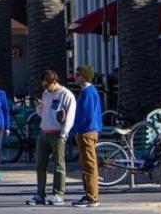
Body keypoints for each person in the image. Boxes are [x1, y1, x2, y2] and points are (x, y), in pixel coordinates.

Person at [28, 69, 76, 206]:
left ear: (54, 82)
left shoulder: (66, 95)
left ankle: (58, 194)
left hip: (57, 133)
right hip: (44, 132)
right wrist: (38, 107)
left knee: (58, 165)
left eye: (46, 85)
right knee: (40, 165)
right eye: (43, 86)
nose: (45, 88)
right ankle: (40, 194)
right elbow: (42, 113)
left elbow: (70, 116)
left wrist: (64, 133)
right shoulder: (46, 94)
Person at [71, 65, 104, 208]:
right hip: (85, 131)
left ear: (83, 77)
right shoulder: (87, 91)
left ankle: (92, 197)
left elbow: (88, 114)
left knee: (89, 165)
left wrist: (79, 130)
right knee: (85, 164)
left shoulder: (88, 92)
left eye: (77, 74)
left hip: (87, 132)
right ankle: (89, 194)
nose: (75, 77)